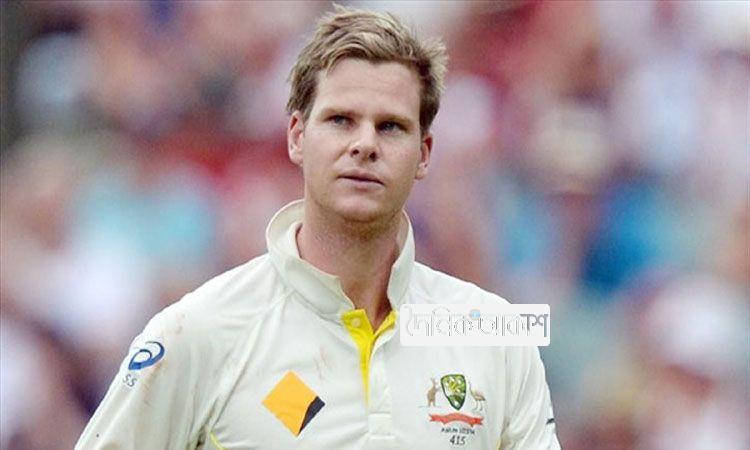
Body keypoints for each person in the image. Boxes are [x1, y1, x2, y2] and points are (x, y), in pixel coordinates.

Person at [76, 5, 560, 449]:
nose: (365, 144)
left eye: (390, 126)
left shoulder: (494, 337)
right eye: (341, 120)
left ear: (424, 153)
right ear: (297, 137)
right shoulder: (199, 333)